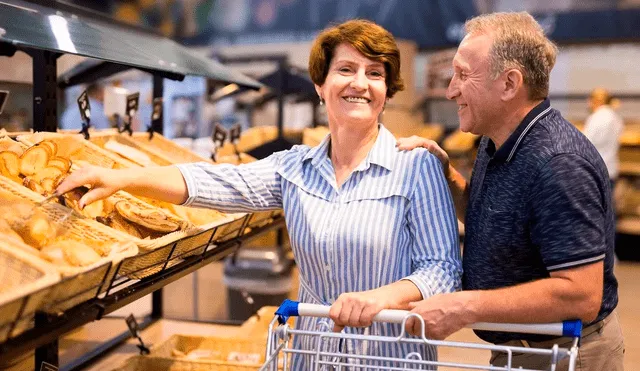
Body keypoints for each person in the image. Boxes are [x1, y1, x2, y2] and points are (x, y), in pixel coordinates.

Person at [57, 20, 462, 369]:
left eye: (375, 73)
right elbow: (212, 182)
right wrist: (121, 178)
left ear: (388, 91)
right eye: (346, 69)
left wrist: (380, 298)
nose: (360, 83)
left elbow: (442, 270)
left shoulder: (417, 166)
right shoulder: (295, 168)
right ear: (320, 86)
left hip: (388, 356)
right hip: (312, 355)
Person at [396, 12, 623, 371]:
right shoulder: (496, 140)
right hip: (522, 350)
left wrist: (463, 306)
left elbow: (581, 294)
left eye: (463, 74)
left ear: (509, 84)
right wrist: (446, 174)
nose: (451, 89)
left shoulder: (557, 164)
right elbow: (496, 219)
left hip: (563, 356)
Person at [584, 88, 624, 190]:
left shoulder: (596, 117)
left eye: (590, 100)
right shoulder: (616, 117)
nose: (588, 103)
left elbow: (585, 143)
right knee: (608, 203)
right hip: (611, 167)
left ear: (597, 100)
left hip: (595, 169)